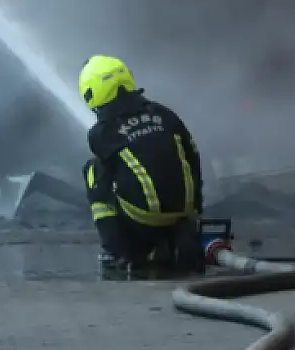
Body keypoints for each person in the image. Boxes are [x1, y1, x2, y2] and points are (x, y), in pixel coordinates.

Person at [78, 55, 205, 274]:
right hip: (183, 212)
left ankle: (119, 252)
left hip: (145, 218)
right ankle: (176, 236)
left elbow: (106, 182)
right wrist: (195, 211)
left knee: (93, 171)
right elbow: (193, 156)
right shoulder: (164, 114)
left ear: (92, 92)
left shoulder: (101, 133)